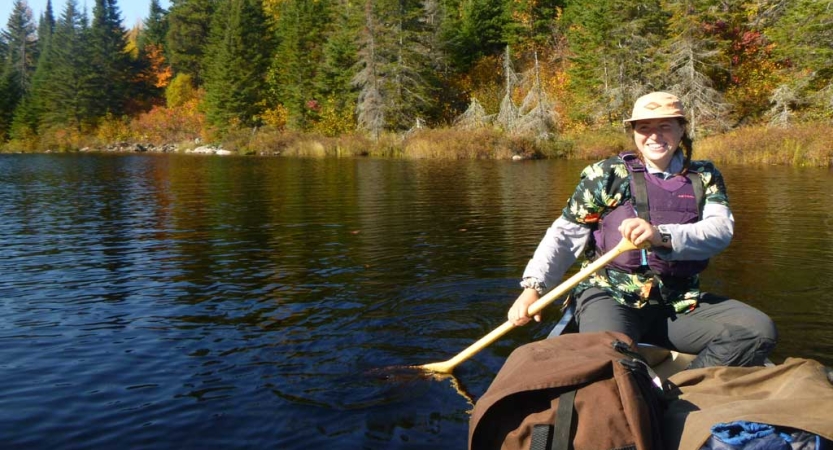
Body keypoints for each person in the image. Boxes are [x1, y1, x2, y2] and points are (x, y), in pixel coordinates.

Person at [507, 91, 777, 368]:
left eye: (665, 126)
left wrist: (660, 235)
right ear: (634, 132)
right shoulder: (608, 175)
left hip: (678, 303)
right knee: (608, 359)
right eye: (644, 127)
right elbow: (565, 234)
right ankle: (633, 383)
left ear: (681, 129)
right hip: (610, 296)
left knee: (757, 331)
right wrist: (534, 287)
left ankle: (682, 391)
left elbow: (720, 231)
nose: (654, 136)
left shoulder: (705, 176)